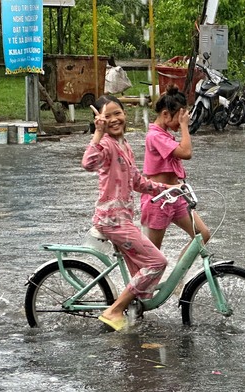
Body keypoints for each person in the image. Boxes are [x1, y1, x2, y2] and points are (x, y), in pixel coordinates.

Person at [82, 95, 170, 332]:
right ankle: (115, 310)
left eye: (117, 113)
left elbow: (137, 181)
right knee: (157, 262)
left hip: (123, 219)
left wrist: (168, 189)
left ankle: (132, 309)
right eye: (107, 116)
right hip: (113, 221)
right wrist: (98, 133)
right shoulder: (108, 145)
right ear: (99, 120)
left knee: (141, 271)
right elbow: (88, 163)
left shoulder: (125, 145)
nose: (114, 119)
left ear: (125, 113)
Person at [140, 85, 210, 253]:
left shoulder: (164, 135)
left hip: (176, 196)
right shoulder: (155, 136)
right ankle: (149, 279)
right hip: (159, 199)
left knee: (203, 234)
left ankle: (178, 277)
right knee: (152, 255)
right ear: (165, 114)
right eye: (178, 117)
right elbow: (186, 152)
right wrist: (185, 127)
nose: (181, 121)